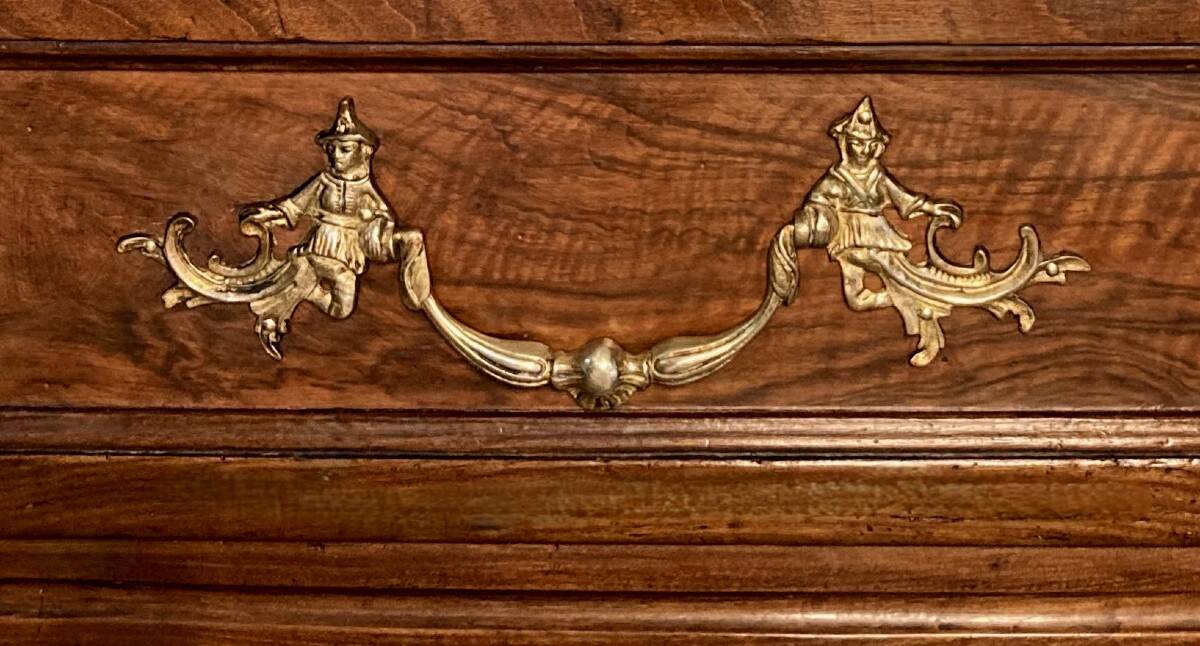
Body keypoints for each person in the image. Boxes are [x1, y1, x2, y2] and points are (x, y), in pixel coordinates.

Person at [797, 97, 963, 312]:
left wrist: (930, 207)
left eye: (868, 144)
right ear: (844, 142)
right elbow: (814, 203)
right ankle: (915, 298)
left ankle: (923, 296)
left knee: (894, 271)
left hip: (877, 236)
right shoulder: (835, 179)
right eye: (857, 143)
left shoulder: (878, 176)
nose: (863, 150)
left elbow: (903, 198)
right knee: (856, 301)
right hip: (848, 237)